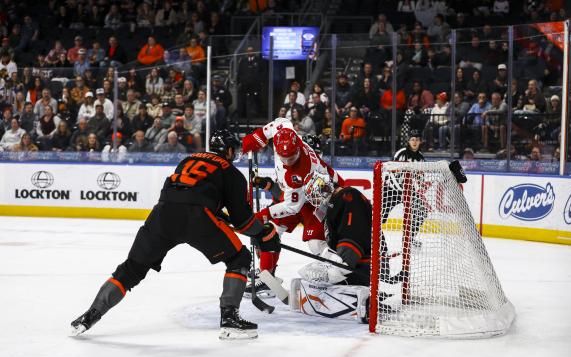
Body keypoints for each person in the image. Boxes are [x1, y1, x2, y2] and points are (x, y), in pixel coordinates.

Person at [71, 130, 281, 340]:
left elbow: (185, 191)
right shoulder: (231, 172)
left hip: (162, 213)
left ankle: (90, 315)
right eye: (233, 150)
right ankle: (229, 320)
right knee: (239, 258)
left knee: (131, 268)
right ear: (227, 150)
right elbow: (243, 222)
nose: (234, 154)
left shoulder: (188, 160)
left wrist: (216, 214)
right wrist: (263, 233)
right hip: (196, 217)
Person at [241, 119, 344, 295]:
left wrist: (263, 214)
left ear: (298, 148)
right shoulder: (285, 131)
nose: (288, 161)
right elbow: (276, 124)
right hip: (296, 196)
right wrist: (255, 139)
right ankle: (268, 278)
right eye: (284, 157)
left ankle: (341, 273)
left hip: (316, 199)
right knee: (269, 231)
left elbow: (292, 207)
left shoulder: (300, 171)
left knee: (316, 244)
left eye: (292, 157)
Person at [288, 171, 372, 322]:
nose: (318, 200)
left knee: (324, 278)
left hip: (365, 267)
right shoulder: (335, 205)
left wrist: (341, 265)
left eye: (317, 195)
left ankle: (359, 297)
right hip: (358, 266)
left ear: (324, 188)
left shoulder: (347, 196)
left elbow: (355, 232)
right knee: (315, 278)